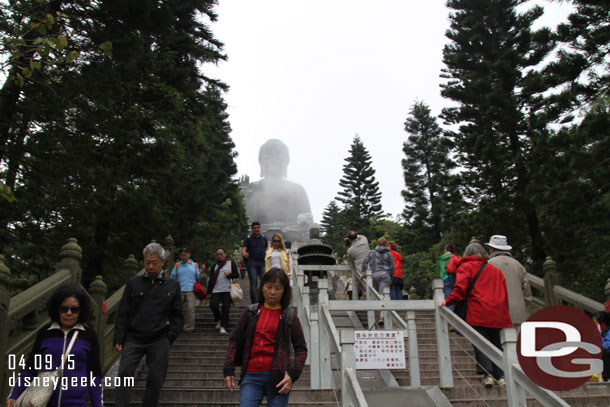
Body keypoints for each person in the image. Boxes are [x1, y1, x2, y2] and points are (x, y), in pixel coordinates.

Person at [7, 284, 103, 407]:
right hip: (43, 401)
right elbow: (30, 368)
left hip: (76, 402)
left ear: (81, 311)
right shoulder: (45, 333)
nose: (69, 313)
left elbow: (94, 374)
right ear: (57, 310)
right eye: (64, 309)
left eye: (74, 309)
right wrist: (14, 395)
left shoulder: (89, 336)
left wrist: (98, 404)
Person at [224, 268, 307, 407]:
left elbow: (301, 348)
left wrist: (292, 375)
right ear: (262, 287)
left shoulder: (289, 316)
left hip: (279, 378)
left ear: (284, 291)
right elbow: (235, 340)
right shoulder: (250, 312)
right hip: (251, 376)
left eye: (278, 288)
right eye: (269, 287)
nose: (273, 292)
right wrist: (228, 369)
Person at [114, 242, 183, 407]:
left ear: (163, 262)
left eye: (154, 263)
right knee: (124, 373)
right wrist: (119, 337)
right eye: (147, 263)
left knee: (156, 378)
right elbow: (123, 311)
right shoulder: (134, 283)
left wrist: (169, 337)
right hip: (134, 337)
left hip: (160, 338)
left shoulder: (172, 285)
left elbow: (177, 315)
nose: (150, 267)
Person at [439, 242, 512, 388]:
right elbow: (504, 292)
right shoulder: (495, 270)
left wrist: (448, 301)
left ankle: (488, 375)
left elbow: (460, 289)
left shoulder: (466, 267)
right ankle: (502, 375)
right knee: (496, 344)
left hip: (478, 309)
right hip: (497, 311)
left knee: (480, 342)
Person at [240, 139, 315, 242]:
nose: (273, 159)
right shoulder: (251, 189)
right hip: (259, 232)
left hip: (290, 233)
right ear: (261, 161)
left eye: (279, 155)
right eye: (268, 154)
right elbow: (245, 221)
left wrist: (304, 221)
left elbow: (307, 221)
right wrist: (244, 196)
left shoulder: (297, 190)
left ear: (286, 161)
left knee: (313, 229)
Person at [485, 235, 532, 330]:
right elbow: (527, 292)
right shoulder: (518, 265)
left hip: (497, 314)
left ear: (492, 249)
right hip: (518, 313)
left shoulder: (489, 265)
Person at [170, 247, 203, 333]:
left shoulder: (195, 265)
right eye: (182, 255)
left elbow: (198, 278)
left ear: (189, 255)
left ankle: (188, 328)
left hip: (191, 290)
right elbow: (172, 277)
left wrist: (201, 272)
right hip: (179, 290)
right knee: (178, 309)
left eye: (185, 255)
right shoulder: (177, 265)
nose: (184, 257)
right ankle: (177, 326)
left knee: (190, 309)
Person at [208, 247, 240, 334]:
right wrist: (208, 291)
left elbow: (236, 275)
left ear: (225, 255)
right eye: (217, 254)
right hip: (216, 289)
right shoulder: (214, 266)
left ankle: (223, 326)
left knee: (226, 308)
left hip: (227, 289)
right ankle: (218, 319)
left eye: (221, 254)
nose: (219, 256)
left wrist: (229, 275)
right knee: (213, 305)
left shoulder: (230, 264)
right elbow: (211, 279)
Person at [242, 222, 269, 303]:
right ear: (252, 229)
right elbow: (244, 248)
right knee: (253, 282)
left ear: (260, 228)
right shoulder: (248, 238)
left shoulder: (264, 238)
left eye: (258, 228)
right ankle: (254, 302)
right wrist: (244, 253)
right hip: (252, 262)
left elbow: (266, 249)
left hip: (263, 262)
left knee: (264, 281)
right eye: (255, 228)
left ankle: (262, 300)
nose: (257, 229)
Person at [345, 230, 369, 300]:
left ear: (349, 239)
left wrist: (348, 247)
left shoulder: (350, 250)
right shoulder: (364, 240)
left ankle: (366, 308)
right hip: (371, 267)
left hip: (361, 271)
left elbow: (351, 263)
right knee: (371, 288)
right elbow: (360, 236)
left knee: (364, 289)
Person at [437, 243, 458, 310]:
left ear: (445, 250)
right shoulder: (455, 257)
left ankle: (450, 314)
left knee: (448, 297)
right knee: (456, 296)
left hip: (445, 278)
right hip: (455, 277)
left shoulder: (440, 259)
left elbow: (439, 270)